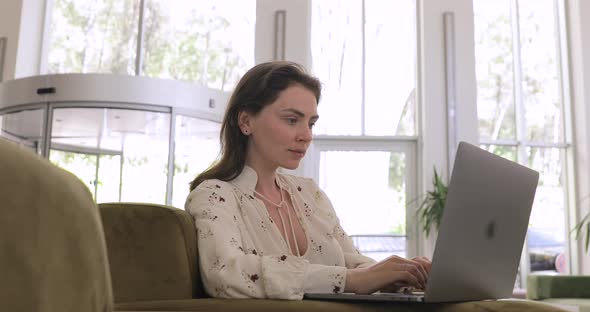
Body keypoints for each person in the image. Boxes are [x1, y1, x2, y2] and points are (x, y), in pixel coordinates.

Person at [185, 61, 431, 300]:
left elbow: (353, 263)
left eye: (311, 123)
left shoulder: (309, 193)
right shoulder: (214, 194)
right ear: (246, 121)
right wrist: (351, 280)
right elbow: (226, 273)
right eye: (292, 120)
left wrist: (403, 274)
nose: (306, 136)